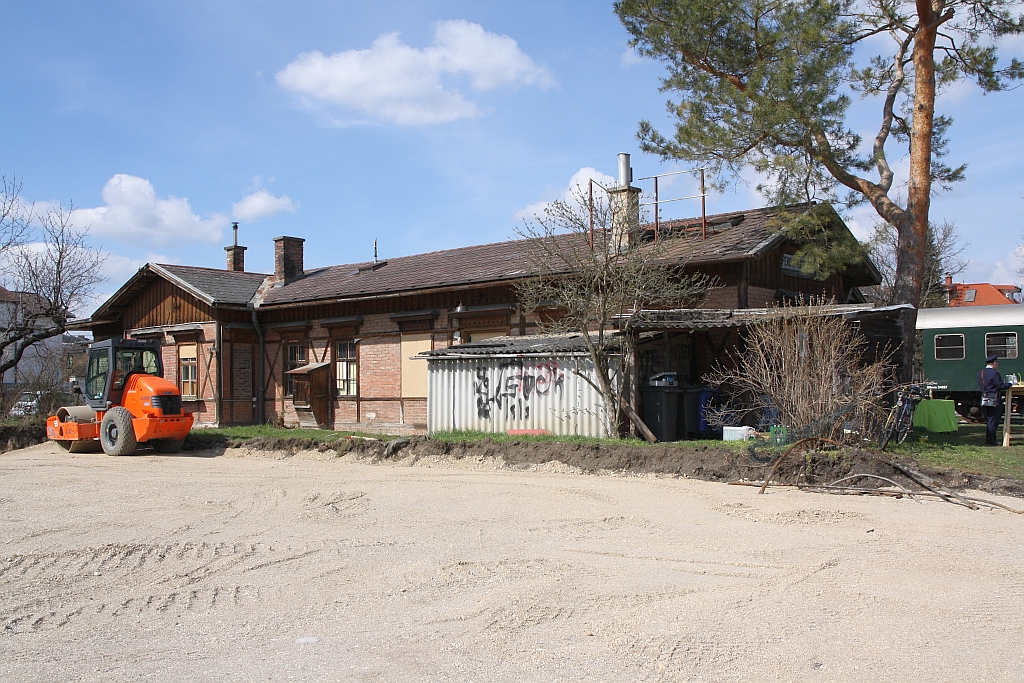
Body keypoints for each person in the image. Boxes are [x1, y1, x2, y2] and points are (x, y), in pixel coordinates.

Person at [977, 354, 1012, 446]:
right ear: (994, 363)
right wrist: (1010, 384)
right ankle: (991, 440)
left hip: (985, 399)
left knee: (989, 420)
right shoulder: (995, 374)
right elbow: (1000, 386)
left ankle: (990, 439)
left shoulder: (980, 373)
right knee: (993, 421)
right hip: (994, 400)